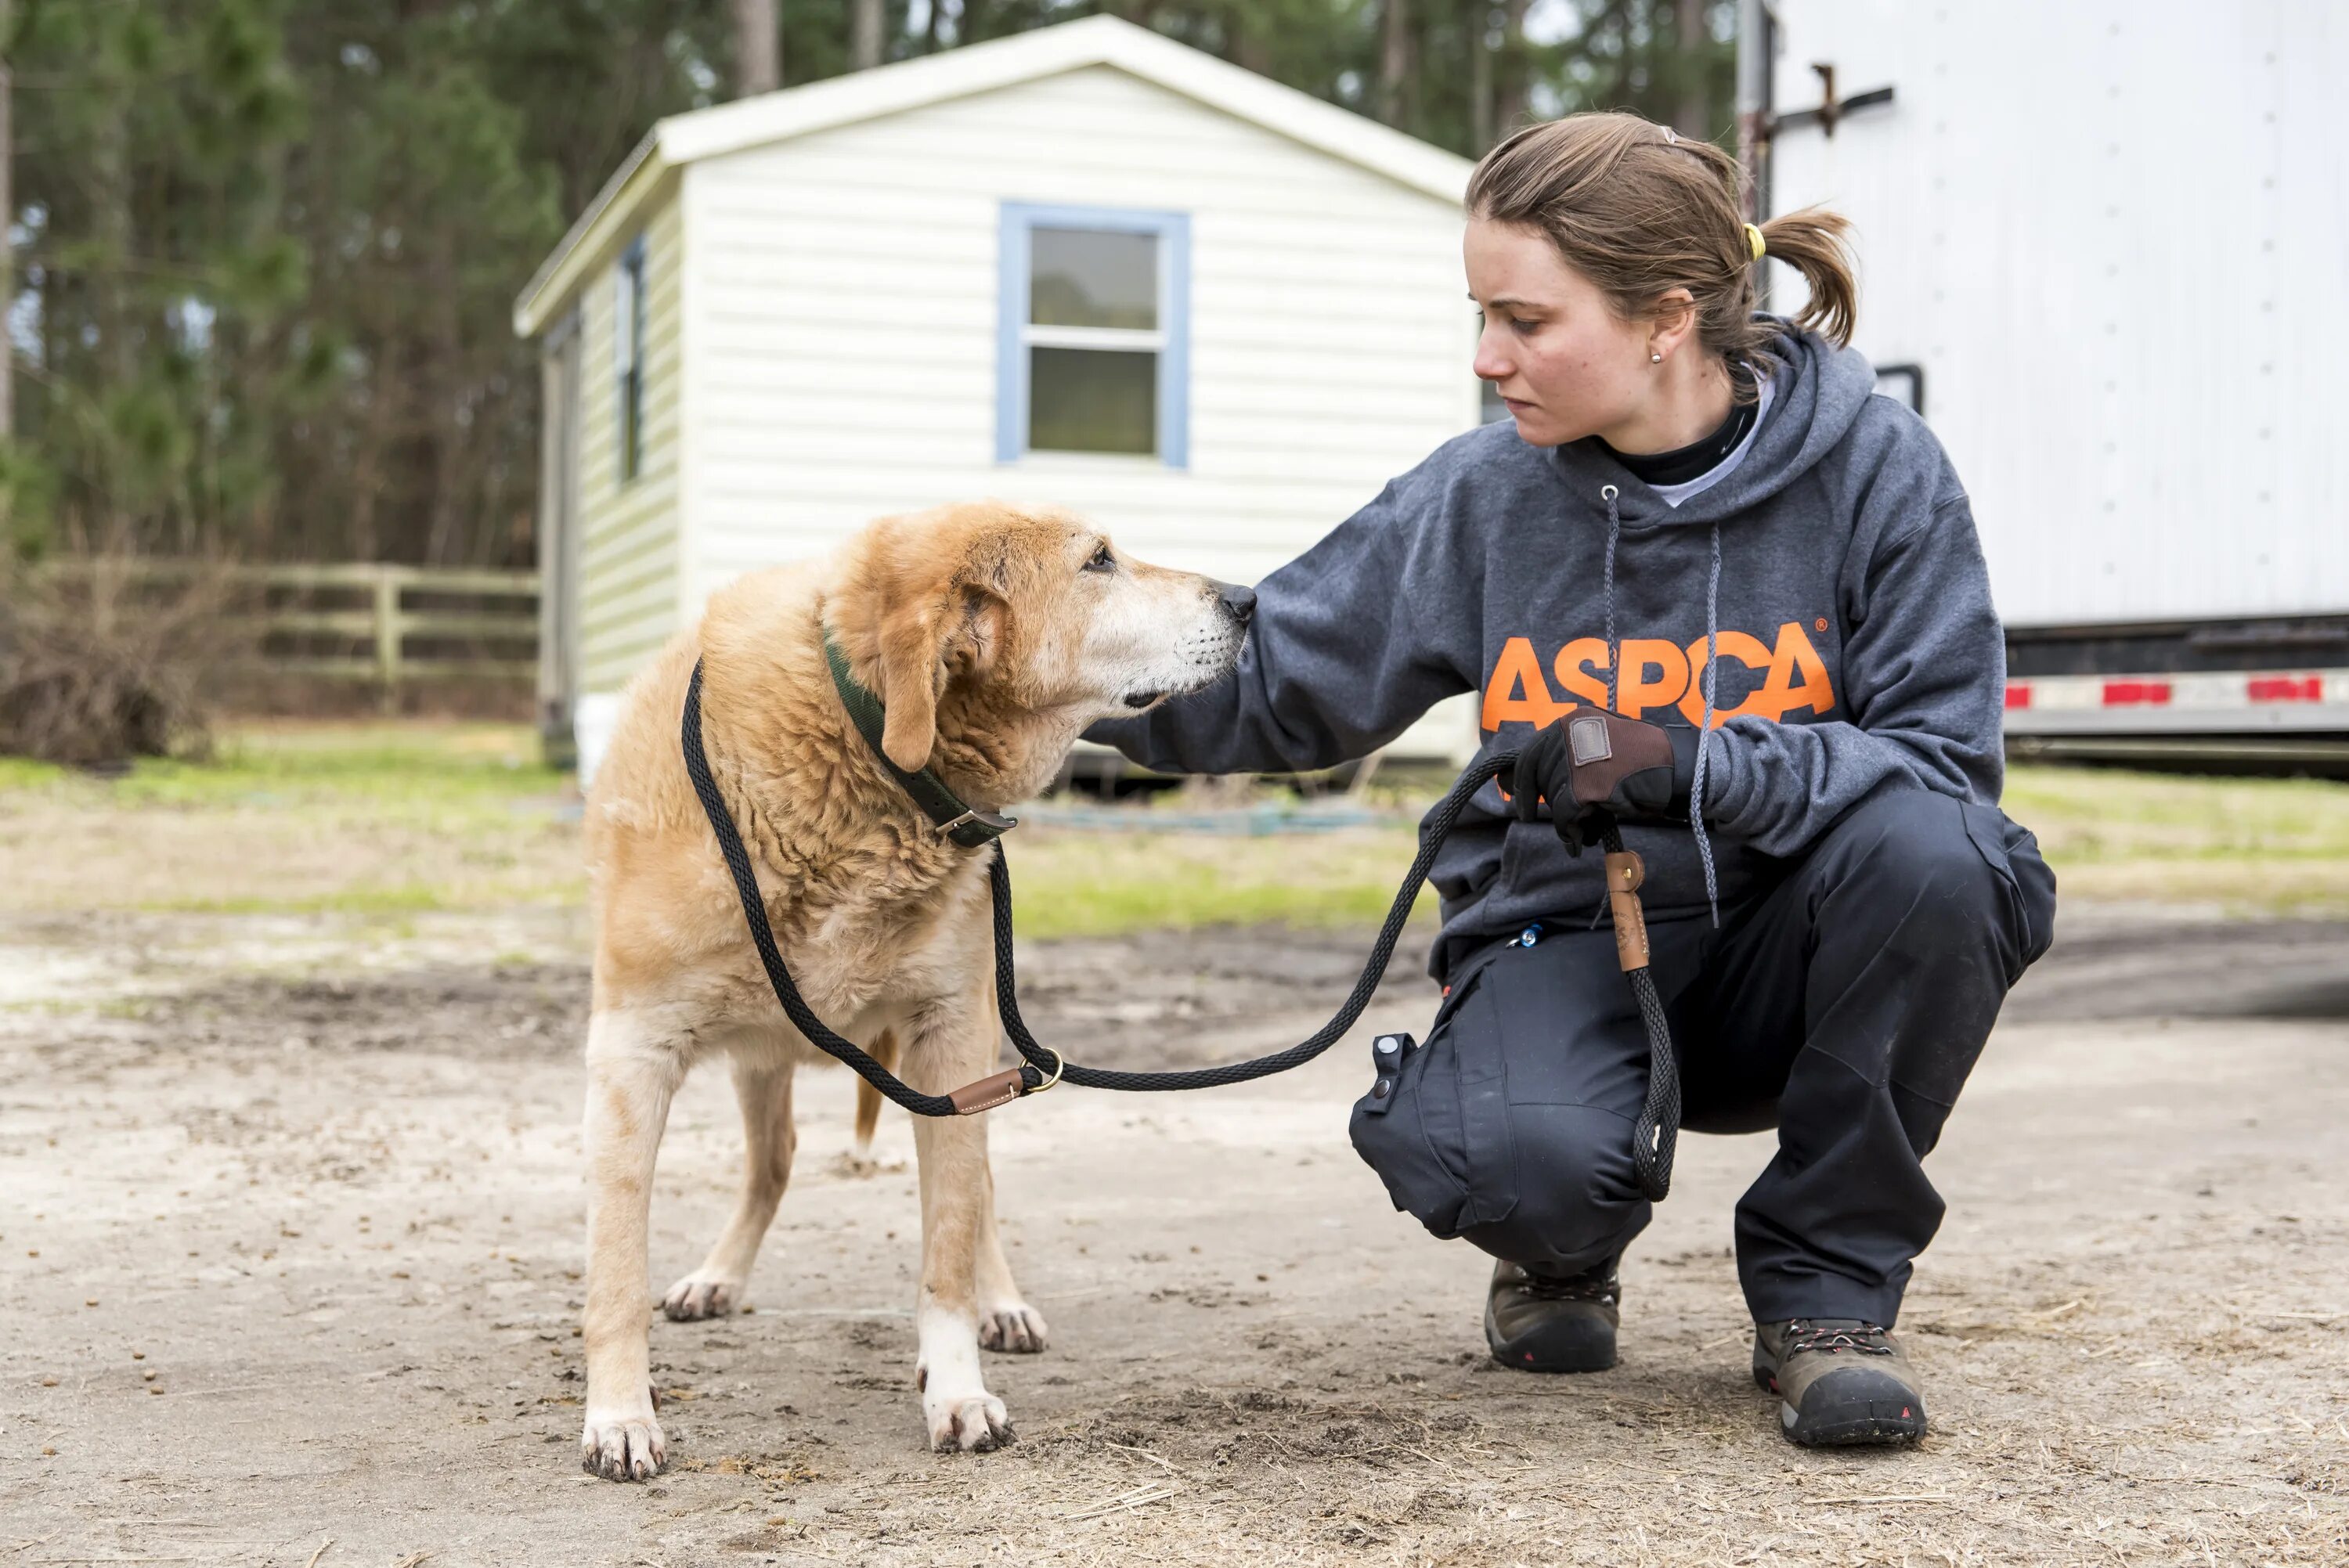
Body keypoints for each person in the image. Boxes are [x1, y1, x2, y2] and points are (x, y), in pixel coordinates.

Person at [1086, 113, 2057, 1449]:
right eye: (1481, 315)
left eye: (1526, 321)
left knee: (1952, 863)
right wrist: (1034, 685)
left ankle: (1827, 1297)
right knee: (1521, 1163)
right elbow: (1282, 671)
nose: (1489, 359)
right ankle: (1555, 1247)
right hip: (1565, 936)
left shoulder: (1880, 474)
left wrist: (1683, 762)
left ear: (1665, 319)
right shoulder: (1484, 494)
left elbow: (1944, 768)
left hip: (1799, 955)